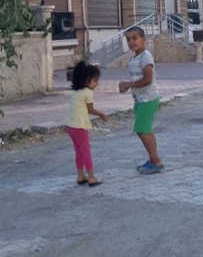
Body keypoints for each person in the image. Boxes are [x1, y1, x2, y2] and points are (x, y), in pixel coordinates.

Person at [118, 26, 164, 175]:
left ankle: (156, 161)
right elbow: (138, 78)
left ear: (143, 39)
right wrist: (127, 85)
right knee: (145, 130)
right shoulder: (135, 57)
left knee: (142, 130)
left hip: (147, 99)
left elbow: (147, 80)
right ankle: (153, 159)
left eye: (135, 38)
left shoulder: (145, 57)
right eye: (128, 39)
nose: (131, 42)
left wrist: (129, 84)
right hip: (140, 99)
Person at [66, 61, 108, 187]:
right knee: (86, 151)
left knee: (78, 151)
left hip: (70, 125)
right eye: (95, 80)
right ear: (87, 80)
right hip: (80, 126)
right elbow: (90, 109)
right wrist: (101, 114)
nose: (97, 83)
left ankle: (80, 175)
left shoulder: (75, 92)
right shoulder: (88, 92)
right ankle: (91, 177)